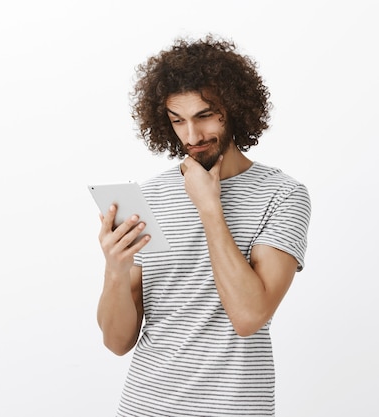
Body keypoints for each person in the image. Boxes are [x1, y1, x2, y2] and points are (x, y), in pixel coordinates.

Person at [95, 34, 311, 417]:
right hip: (145, 405)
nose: (191, 137)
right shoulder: (149, 197)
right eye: (177, 121)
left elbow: (248, 317)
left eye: (204, 116)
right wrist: (115, 270)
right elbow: (116, 341)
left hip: (234, 408)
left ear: (235, 107)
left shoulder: (282, 195)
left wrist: (210, 207)